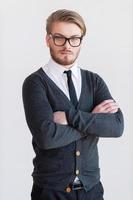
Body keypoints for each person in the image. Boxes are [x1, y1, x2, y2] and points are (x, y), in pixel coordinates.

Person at [22, 9, 124, 200]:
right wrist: (93, 121)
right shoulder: (35, 83)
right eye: (59, 38)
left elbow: (116, 126)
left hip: (92, 190)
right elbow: (47, 137)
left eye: (74, 38)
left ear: (81, 41)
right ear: (48, 40)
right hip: (51, 191)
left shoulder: (94, 81)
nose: (67, 45)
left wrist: (69, 117)